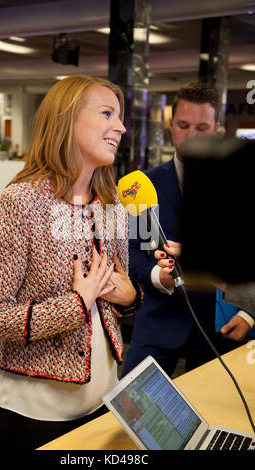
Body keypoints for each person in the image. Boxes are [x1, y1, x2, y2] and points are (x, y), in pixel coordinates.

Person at [0, 75, 143, 450]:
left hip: (106, 401)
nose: (122, 127)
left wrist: (129, 298)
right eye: (107, 113)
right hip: (37, 414)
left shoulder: (110, 205)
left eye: (121, 117)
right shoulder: (18, 203)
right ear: (67, 119)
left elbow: (113, 302)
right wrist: (75, 305)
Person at [122, 81, 251, 378]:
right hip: (158, 322)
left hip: (220, 325)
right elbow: (131, 250)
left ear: (217, 127)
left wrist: (248, 313)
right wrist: (159, 277)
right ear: (171, 125)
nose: (192, 135)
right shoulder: (141, 185)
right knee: (131, 414)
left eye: (202, 128)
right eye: (183, 125)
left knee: (217, 416)